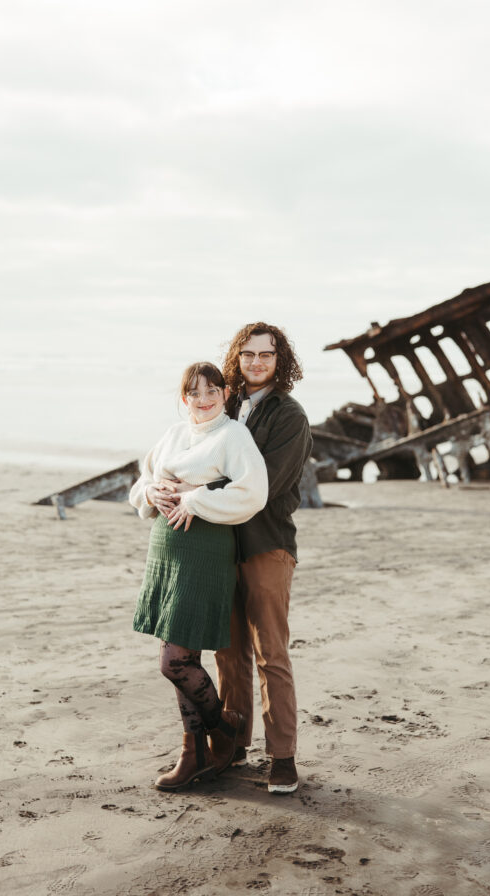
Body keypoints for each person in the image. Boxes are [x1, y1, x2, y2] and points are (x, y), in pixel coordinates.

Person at [162, 323, 312, 794]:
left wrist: (195, 491)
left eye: (266, 355)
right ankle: (234, 744)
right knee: (229, 654)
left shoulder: (289, 415)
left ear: (279, 360)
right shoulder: (223, 409)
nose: (256, 362)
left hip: (267, 544)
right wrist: (165, 488)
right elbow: (194, 458)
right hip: (220, 546)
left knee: (272, 653)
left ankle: (282, 756)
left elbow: (264, 486)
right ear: (236, 359)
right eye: (247, 354)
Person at [129, 361, 268, 792]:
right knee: (182, 658)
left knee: (175, 661)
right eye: (194, 393)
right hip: (165, 551)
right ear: (183, 398)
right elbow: (143, 483)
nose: (203, 400)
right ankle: (194, 752)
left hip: (203, 551)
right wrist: (151, 491)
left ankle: (222, 728)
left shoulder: (233, 436)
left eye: (212, 392)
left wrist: (196, 499)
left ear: (226, 394)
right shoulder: (173, 435)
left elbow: (253, 493)